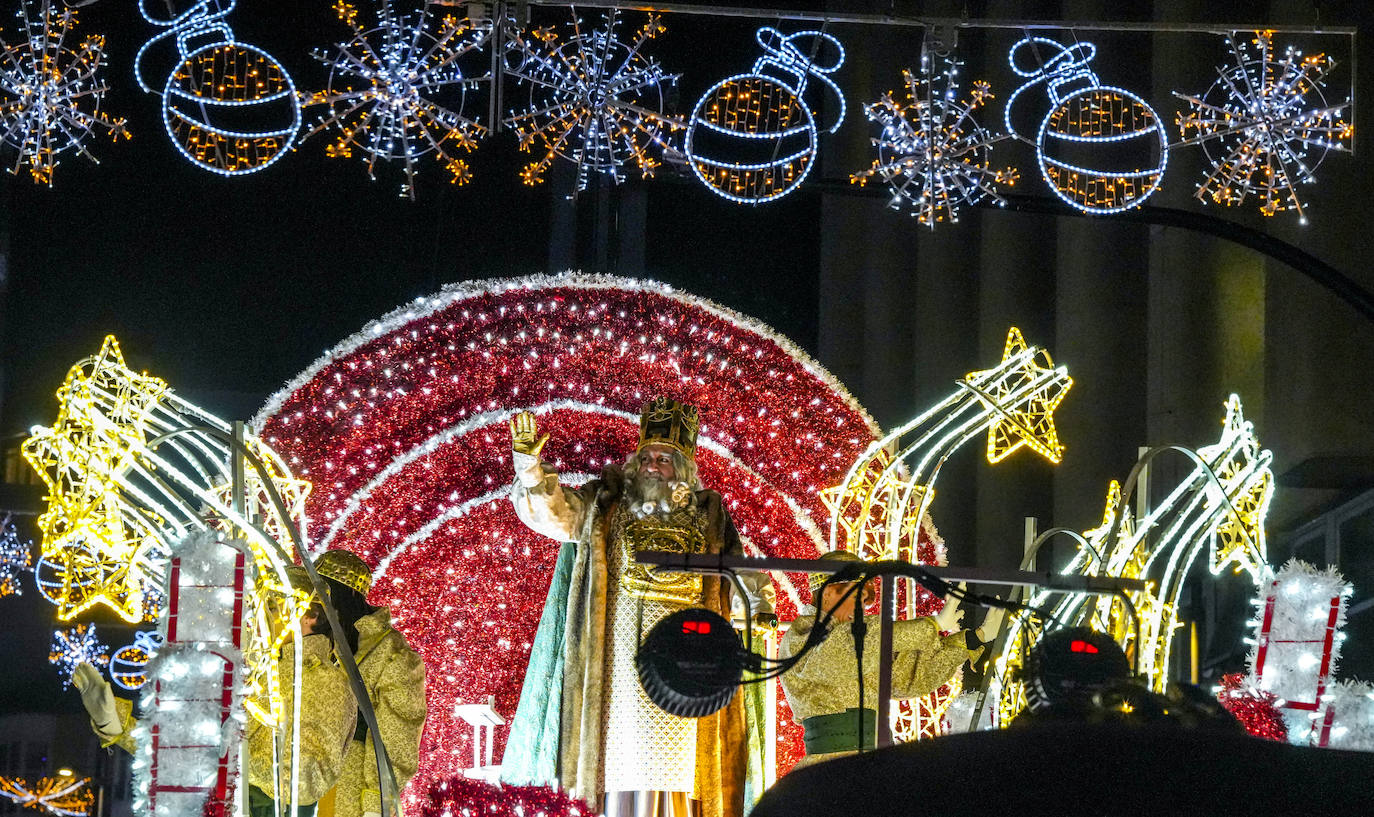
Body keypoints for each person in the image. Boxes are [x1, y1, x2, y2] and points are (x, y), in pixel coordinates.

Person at [500, 397, 773, 817]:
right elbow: (553, 516)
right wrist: (529, 469)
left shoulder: (709, 514)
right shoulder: (606, 504)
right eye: (647, 456)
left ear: (683, 469)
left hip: (685, 660)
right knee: (614, 762)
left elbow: (739, 572)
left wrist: (758, 609)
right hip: (615, 668)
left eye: (664, 458)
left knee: (682, 766)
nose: (652, 464)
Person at [72, 566, 357, 817]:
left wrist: (228, 758)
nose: (260, 615)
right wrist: (117, 725)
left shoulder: (327, 683)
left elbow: (307, 779)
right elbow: (187, 751)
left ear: (311, 615)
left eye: (273, 605)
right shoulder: (246, 671)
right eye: (260, 605)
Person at [778, 550, 998, 770]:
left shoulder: (865, 646)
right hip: (830, 768)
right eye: (856, 597)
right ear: (828, 593)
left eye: (864, 601)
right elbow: (841, 653)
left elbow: (910, 678)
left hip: (876, 762)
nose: (862, 608)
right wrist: (934, 624)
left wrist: (974, 638)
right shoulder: (802, 636)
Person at [312, 549, 427, 817]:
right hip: (302, 780)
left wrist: (377, 804)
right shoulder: (311, 640)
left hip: (349, 794)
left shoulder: (391, 653)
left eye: (321, 598)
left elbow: (398, 736)